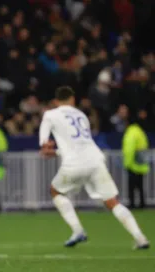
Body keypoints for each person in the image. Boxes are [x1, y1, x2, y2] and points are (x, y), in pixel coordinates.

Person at [39, 86, 149, 249]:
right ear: (73, 100)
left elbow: (44, 145)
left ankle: (78, 230)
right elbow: (79, 144)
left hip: (74, 164)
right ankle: (140, 238)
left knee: (56, 191)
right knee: (112, 202)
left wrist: (46, 147)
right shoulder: (82, 115)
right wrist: (56, 152)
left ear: (56, 101)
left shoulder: (50, 114)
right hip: (95, 160)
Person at [122, 111, 149, 209]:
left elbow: (129, 149)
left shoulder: (131, 132)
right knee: (140, 186)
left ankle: (132, 204)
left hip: (133, 164)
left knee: (131, 187)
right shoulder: (140, 132)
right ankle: (142, 204)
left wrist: (127, 163)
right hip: (141, 164)